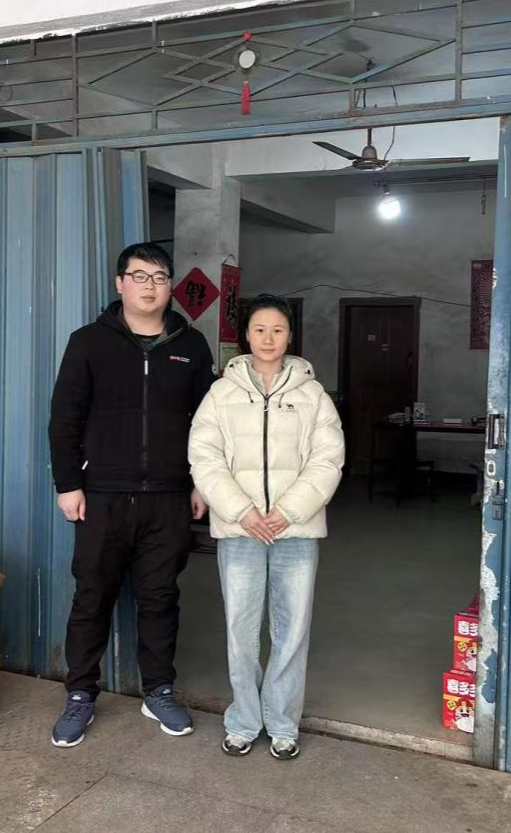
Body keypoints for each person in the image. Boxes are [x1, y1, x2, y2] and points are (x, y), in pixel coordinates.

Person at [48, 241, 215, 748]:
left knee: (161, 598)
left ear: (170, 287)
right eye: (139, 276)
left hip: (169, 495)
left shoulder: (192, 345)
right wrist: (68, 484)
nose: (150, 286)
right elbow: (64, 418)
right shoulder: (88, 343)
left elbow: (208, 424)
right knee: (92, 597)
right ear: (120, 283)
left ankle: (158, 690)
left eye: (160, 277)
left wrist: (200, 482)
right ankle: (80, 694)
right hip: (102, 495)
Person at [188, 294, 345, 760]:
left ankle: (282, 723)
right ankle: (243, 720)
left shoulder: (312, 395)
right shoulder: (222, 393)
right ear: (246, 336)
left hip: (295, 532)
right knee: (240, 631)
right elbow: (204, 456)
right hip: (241, 531)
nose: (269, 338)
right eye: (260, 329)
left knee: (291, 631)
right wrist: (242, 511)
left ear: (290, 335)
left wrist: (289, 511)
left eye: (278, 329)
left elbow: (328, 459)